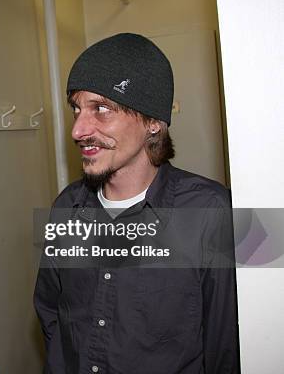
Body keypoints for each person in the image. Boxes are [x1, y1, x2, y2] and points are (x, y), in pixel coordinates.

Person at [34, 33, 240, 373]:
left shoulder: (213, 212)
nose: (78, 130)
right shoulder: (65, 207)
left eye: (101, 109)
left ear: (153, 122)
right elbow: (51, 316)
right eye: (77, 108)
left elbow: (226, 348)